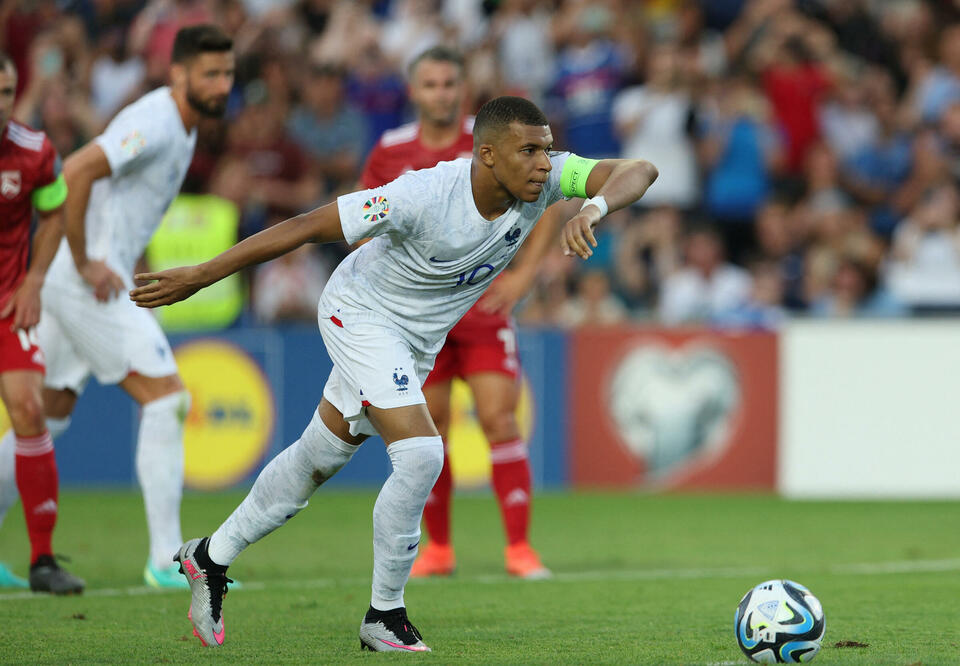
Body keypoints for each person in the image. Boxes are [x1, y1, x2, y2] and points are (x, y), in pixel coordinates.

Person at [130, 95, 657, 651]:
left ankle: (208, 557)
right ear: (487, 155)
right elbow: (313, 224)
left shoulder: (545, 183)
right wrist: (204, 274)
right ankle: (385, 615)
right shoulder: (424, 195)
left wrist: (592, 208)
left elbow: (638, 170)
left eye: (547, 150)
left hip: (415, 340)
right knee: (423, 453)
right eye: (528, 151)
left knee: (320, 456)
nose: (545, 164)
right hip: (358, 313)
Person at [0, 25, 235, 589]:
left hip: (80, 279)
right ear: (177, 73)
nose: (223, 84)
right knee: (168, 399)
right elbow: (76, 170)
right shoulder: (154, 120)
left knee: (47, 414)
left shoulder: (183, 125)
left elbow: (125, 202)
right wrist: (85, 260)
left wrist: (126, 256)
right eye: (210, 73)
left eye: (228, 73)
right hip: (85, 283)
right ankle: (165, 559)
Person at [361, 45, 551, 579]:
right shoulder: (390, 149)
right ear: (414, 91)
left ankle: (519, 549)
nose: (441, 94)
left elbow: (551, 200)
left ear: (463, 89)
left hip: (481, 308)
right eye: (431, 85)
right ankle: (439, 549)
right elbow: (362, 219)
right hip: (420, 319)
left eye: (450, 84)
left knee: (497, 417)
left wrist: (523, 275)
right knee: (433, 429)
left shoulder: (496, 140)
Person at [0, 52, 84, 594]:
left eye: (6, 92)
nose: (0, 104)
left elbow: (54, 212)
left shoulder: (35, 152)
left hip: (10, 304)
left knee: (30, 408)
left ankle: (42, 560)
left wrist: (33, 281)